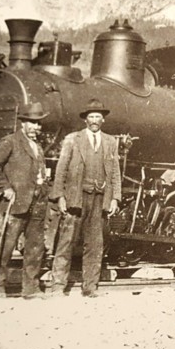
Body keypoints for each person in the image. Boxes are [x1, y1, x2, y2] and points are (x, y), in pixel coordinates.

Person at [51, 98, 122, 298]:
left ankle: (90, 287)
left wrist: (115, 197)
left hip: (99, 199)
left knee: (95, 245)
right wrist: (59, 196)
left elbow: (115, 172)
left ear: (103, 120)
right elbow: (61, 169)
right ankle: (58, 285)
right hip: (76, 198)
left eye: (98, 116)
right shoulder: (72, 139)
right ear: (85, 120)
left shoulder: (110, 142)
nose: (94, 120)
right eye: (91, 116)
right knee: (66, 242)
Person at [0, 102, 49, 298]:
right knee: (6, 247)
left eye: (38, 124)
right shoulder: (10, 142)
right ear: (23, 123)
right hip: (16, 204)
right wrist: (5, 188)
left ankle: (30, 288)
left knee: (35, 248)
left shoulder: (38, 147)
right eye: (32, 123)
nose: (36, 127)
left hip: (37, 205)